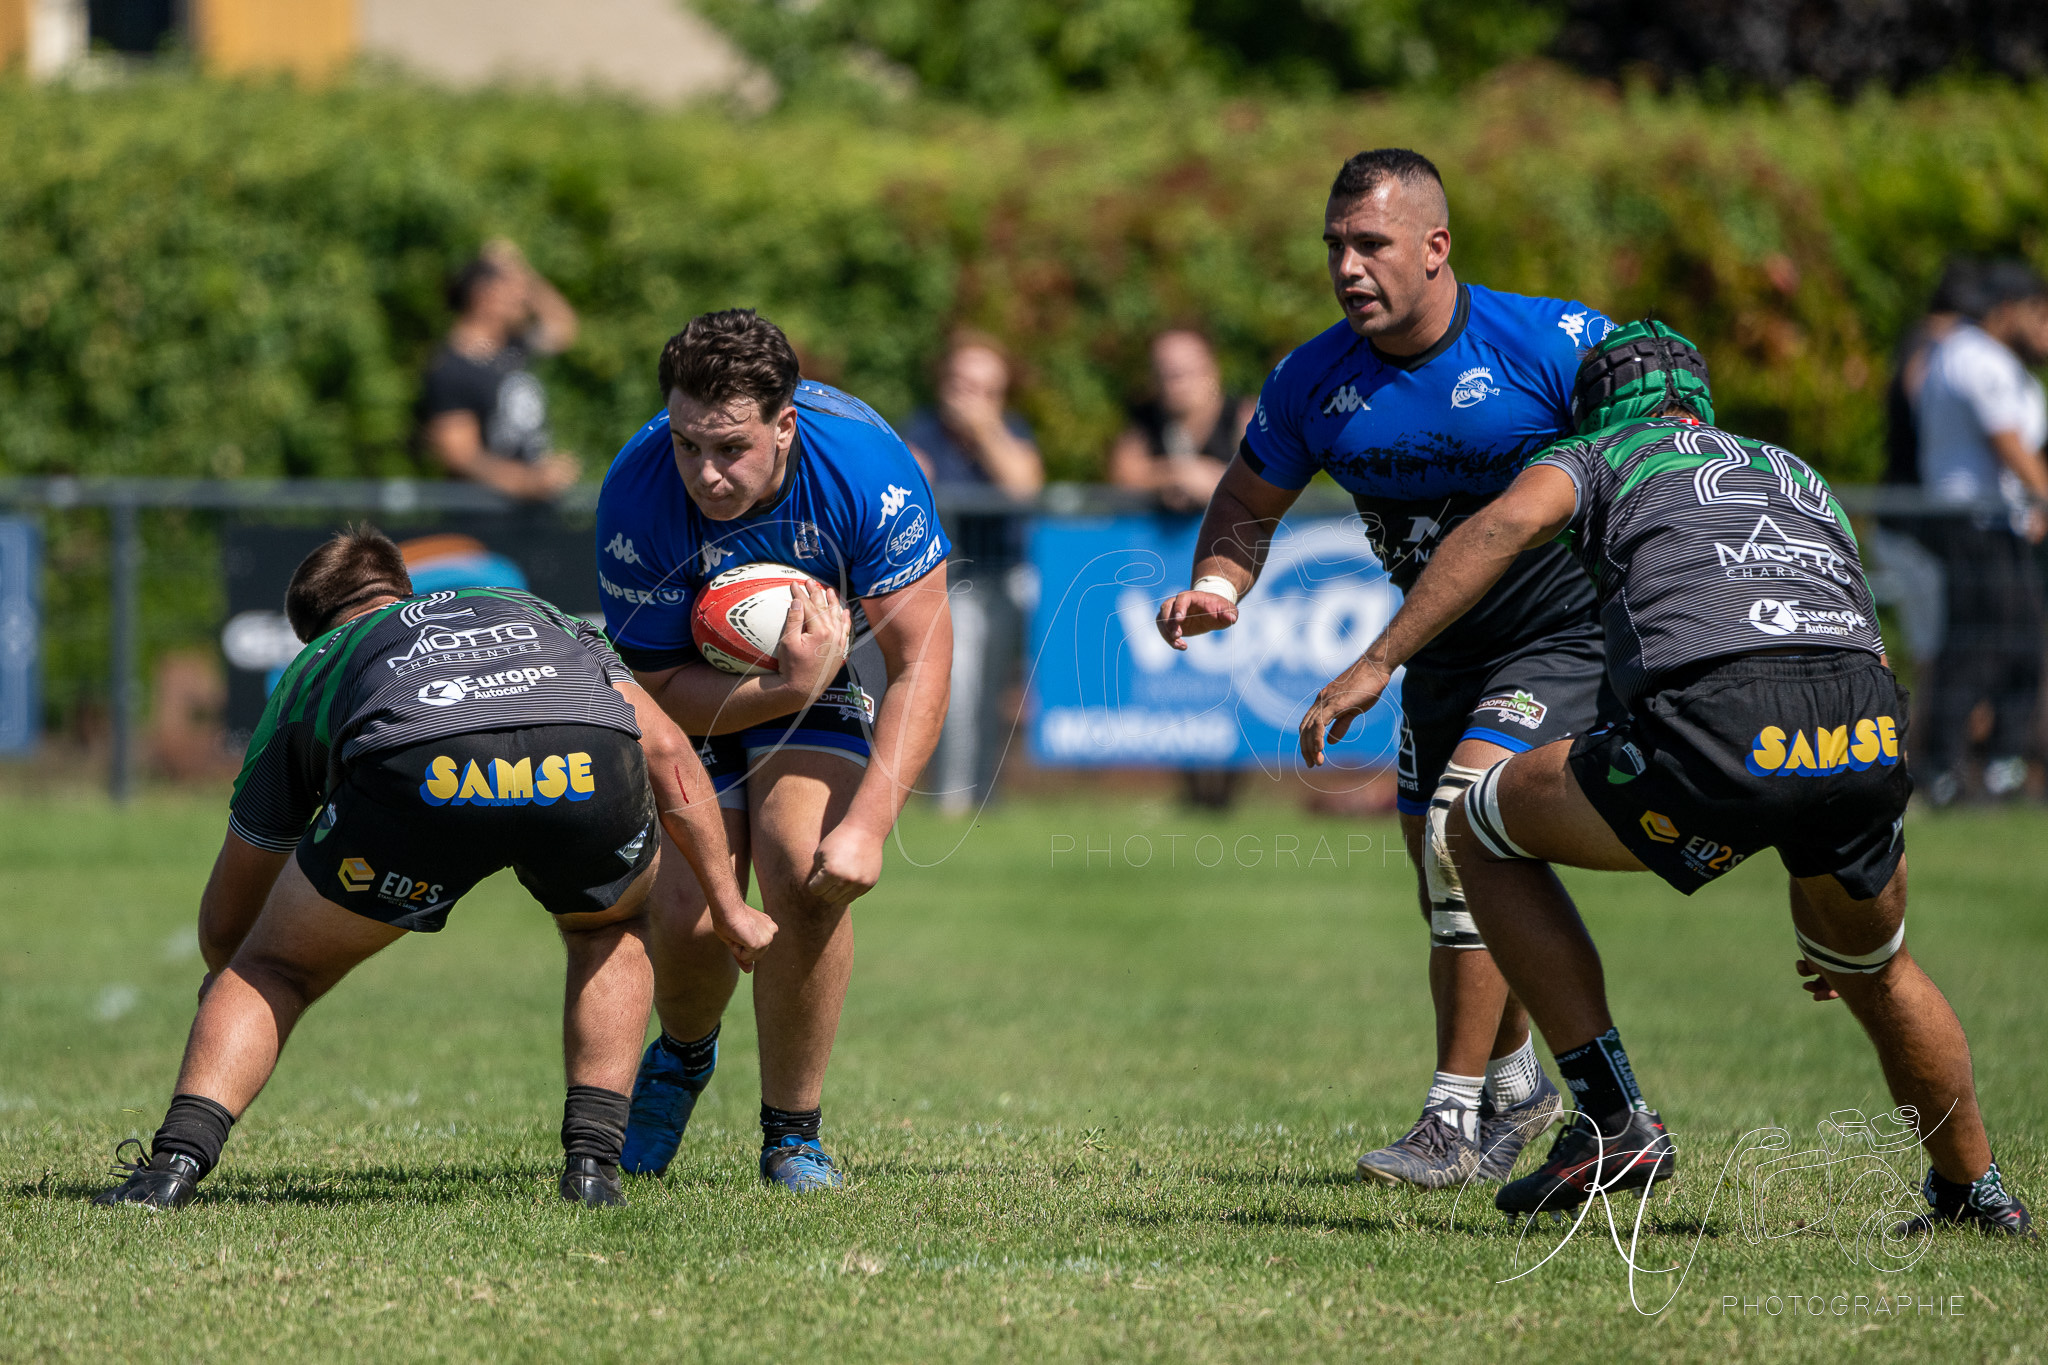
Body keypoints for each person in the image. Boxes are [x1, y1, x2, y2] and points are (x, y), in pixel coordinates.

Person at [1302, 321, 2031, 1236]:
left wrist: (1375, 662)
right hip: (1868, 727)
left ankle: (1611, 1119)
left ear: (1596, 407)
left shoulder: (1599, 451)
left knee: (1476, 825)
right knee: (1877, 966)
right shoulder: (1791, 468)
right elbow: (1848, 611)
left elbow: (1500, 526)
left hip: (1725, 719)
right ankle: (1976, 1192)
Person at [1156, 149, 1615, 1189]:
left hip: (1562, 638)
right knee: (1445, 881)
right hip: (1438, 656)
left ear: (1434, 248)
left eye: (1370, 245)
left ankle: (1447, 1123)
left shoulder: (1550, 345)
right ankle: (1517, 1091)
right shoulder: (1313, 379)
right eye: (1334, 248)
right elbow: (1242, 504)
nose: (1347, 268)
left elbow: (1657, 452)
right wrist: (1220, 590)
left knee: (1462, 834)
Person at [93, 528, 776, 1210]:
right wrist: (727, 901)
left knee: (274, 969)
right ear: (403, 592)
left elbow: (226, 926)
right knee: (610, 926)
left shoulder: (318, 663)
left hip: (424, 768)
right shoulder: (535, 610)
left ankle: (171, 1170)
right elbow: (665, 747)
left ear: (312, 631)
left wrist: (235, 967)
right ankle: (594, 1168)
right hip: (586, 757)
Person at [594, 309, 954, 1192]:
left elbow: (923, 656)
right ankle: (682, 1054)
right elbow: (659, 690)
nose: (705, 474)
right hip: (701, 687)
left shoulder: (866, 472)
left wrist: (869, 826)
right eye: (686, 444)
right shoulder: (637, 492)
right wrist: (784, 686)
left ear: (785, 424)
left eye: (730, 447)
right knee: (686, 917)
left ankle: (793, 1133)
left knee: (805, 868)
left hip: (819, 671)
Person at [1911, 259, 2048, 806]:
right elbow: (2008, 443)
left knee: (2019, 643)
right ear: (2008, 309)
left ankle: (2000, 765)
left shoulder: (1993, 361)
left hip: (1998, 522)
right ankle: (1948, 766)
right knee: (1978, 646)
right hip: (1974, 523)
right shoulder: (1973, 357)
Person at [903, 334, 1044, 814]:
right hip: (950, 584)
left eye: (986, 389)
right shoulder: (920, 432)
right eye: (963, 385)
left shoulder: (1013, 432)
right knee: (957, 690)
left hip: (1008, 580)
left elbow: (1025, 486)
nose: (971, 398)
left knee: (999, 695)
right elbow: (908, 488)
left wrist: (986, 432)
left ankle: (987, 793)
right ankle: (954, 800)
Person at [418, 240, 584, 501]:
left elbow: (563, 326)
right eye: (513, 288)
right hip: (486, 521)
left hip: (531, 514)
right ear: (483, 293)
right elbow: (459, 454)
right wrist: (527, 481)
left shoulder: (512, 349)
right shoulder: (451, 367)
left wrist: (520, 268)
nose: (523, 296)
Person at [1110, 330, 1253, 514]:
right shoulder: (1144, 420)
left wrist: (1216, 483)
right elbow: (1123, 477)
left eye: (1184, 373)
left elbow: (1268, 481)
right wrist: (1178, 475)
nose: (1176, 385)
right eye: (1165, 374)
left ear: (1212, 371)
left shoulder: (1244, 417)